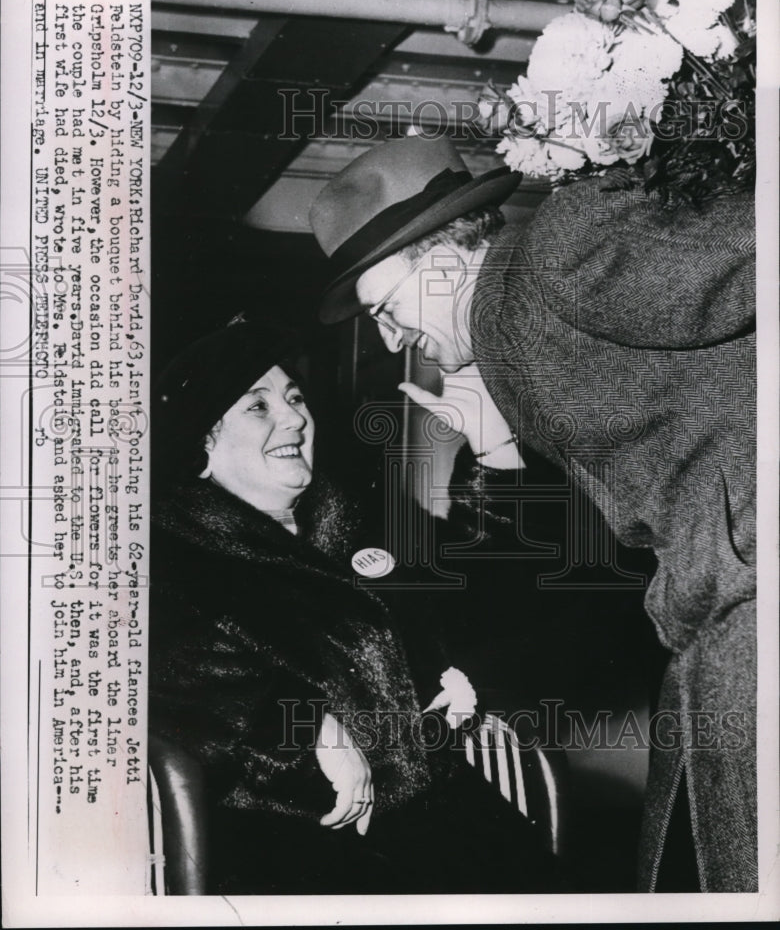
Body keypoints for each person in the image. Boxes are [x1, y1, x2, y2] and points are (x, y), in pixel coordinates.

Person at [309, 133, 757, 892]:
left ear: (443, 255)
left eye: (385, 310)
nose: (389, 342)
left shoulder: (555, 253)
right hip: (712, 645)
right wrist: (503, 456)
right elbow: (598, 580)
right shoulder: (511, 346)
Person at [149, 319, 560, 895]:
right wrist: (310, 725)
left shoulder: (353, 522)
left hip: (441, 815)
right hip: (309, 847)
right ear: (201, 447)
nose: (294, 417)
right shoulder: (173, 556)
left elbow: (492, 599)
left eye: (294, 397)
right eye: (256, 407)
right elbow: (171, 681)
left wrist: (495, 450)